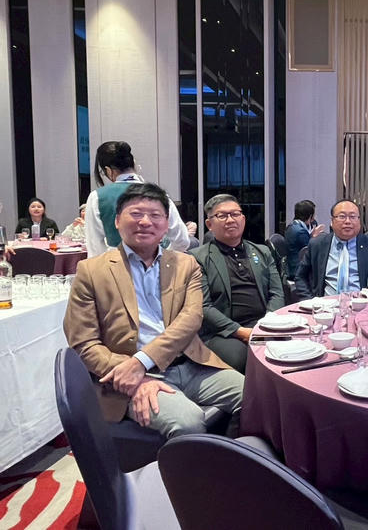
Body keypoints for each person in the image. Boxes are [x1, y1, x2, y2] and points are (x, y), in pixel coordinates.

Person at [63, 183, 244, 438]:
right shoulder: (91, 271)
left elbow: (191, 319)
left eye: (155, 215)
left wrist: (142, 360)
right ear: (117, 221)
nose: (145, 222)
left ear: (166, 223)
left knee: (257, 396)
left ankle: (235, 458)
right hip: (131, 374)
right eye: (136, 214)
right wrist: (134, 373)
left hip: (191, 365)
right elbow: (83, 343)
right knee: (188, 422)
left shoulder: (186, 264)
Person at [191, 194, 285, 373]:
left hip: (264, 323)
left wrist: (268, 323)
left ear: (243, 218)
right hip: (223, 332)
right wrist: (240, 331)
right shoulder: (197, 258)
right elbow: (203, 306)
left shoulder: (262, 252)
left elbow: (277, 292)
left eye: (235, 214)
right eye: (222, 216)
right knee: (243, 356)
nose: (230, 220)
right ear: (209, 224)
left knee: (298, 344)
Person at [85, 141, 190, 257]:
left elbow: (94, 249)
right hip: (154, 263)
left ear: (109, 171)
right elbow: (182, 241)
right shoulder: (158, 195)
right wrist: (163, 257)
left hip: (114, 263)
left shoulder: (97, 197)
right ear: (134, 164)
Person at [295, 199, 368, 299]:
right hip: (326, 305)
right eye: (342, 216)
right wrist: (310, 301)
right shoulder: (317, 244)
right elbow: (300, 277)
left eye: (352, 217)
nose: (347, 221)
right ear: (332, 221)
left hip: (362, 304)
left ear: (359, 221)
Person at [285, 199, 325, 280]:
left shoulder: (292, 226)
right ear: (310, 216)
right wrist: (315, 237)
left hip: (291, 266)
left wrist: (311, 235)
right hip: (297, 270)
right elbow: (310, 250)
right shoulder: (301, 232)